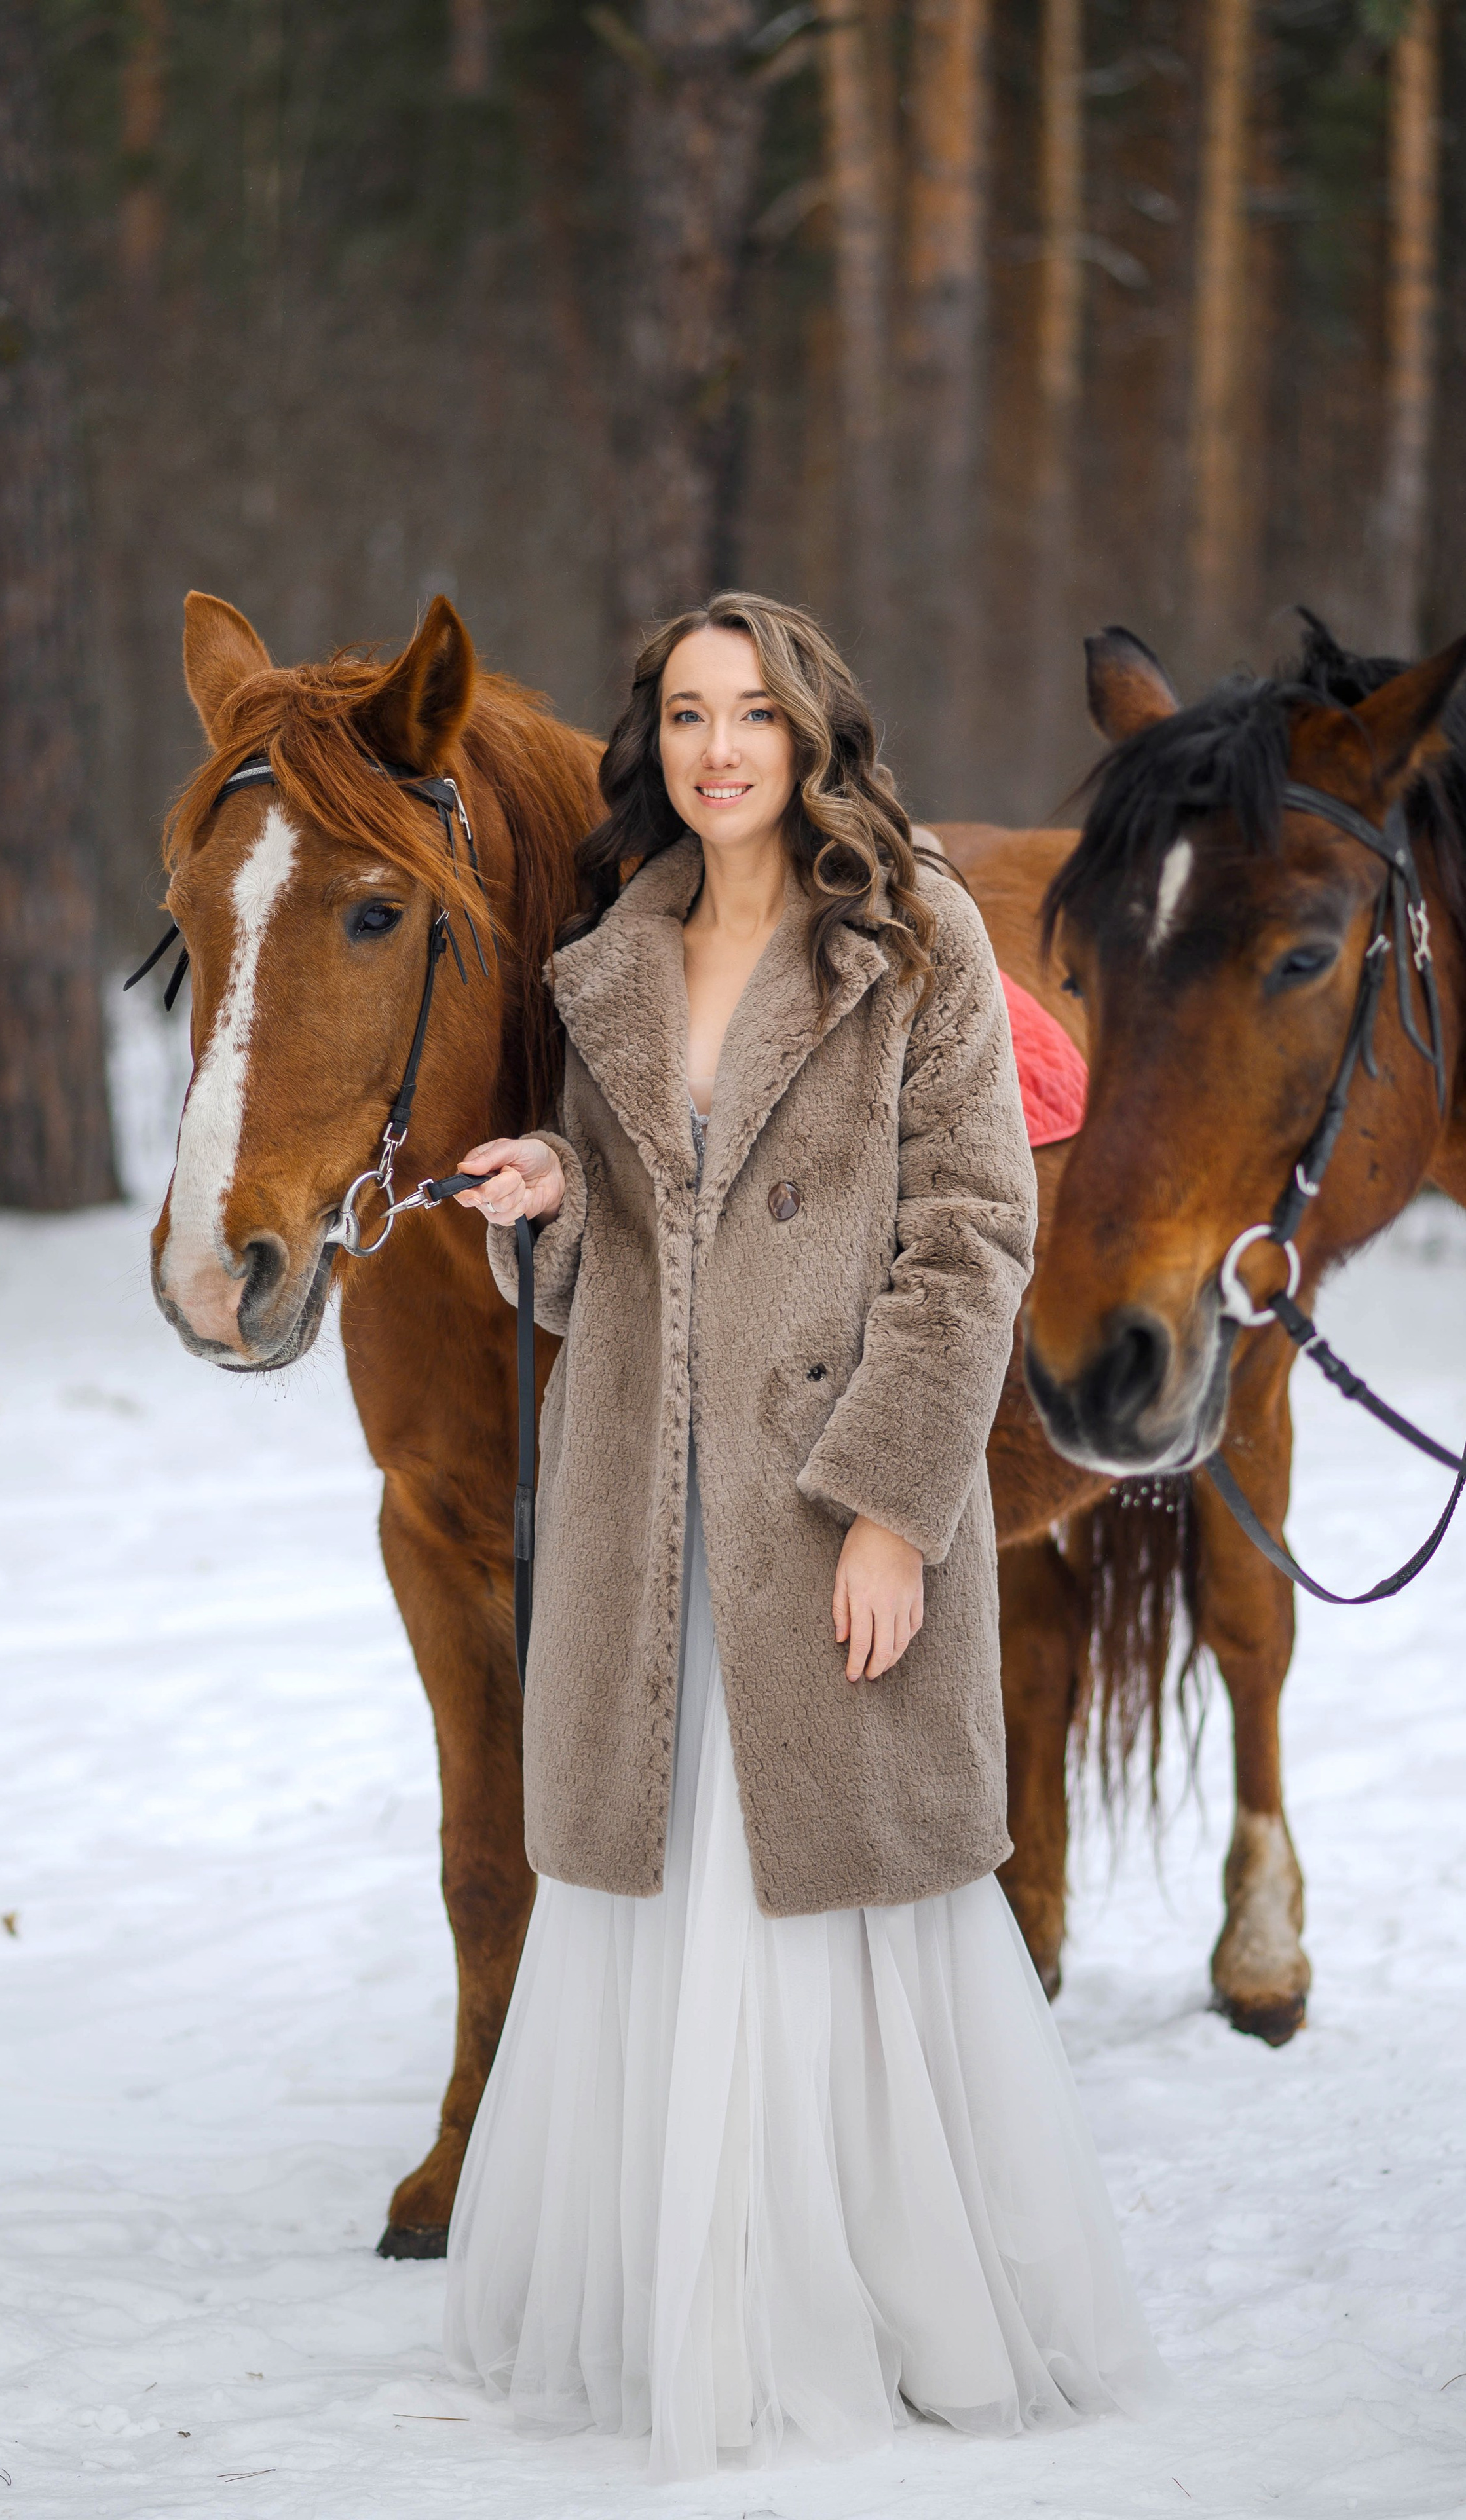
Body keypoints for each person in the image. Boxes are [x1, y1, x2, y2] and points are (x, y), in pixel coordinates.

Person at [442, 592, 1166, 2481]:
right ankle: (689, 2310)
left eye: (752, 713)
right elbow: (613, 1267)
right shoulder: (612, 960)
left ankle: (863, 2303)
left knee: (836, 1903)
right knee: (669, 1887)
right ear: (656, 747)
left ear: (813, 732)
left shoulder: (911, 940)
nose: (717, 748)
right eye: (685, 715)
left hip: (829, 1497)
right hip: (651, 1519)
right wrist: (542, 1201)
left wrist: (890, 1513)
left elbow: (972, 1238)